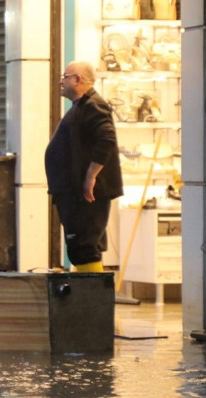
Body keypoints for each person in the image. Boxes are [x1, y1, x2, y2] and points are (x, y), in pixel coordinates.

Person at [44, 61, 123, 272]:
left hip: (85, 195)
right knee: (80, 247)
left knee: (85, 246)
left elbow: (107, 139)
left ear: (78, 79)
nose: (61, 81)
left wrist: (91, 176)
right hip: (73, 193)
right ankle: (84, 298)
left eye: (65, 76)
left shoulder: (93, 105)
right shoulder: (82, 106)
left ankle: (92, 301)